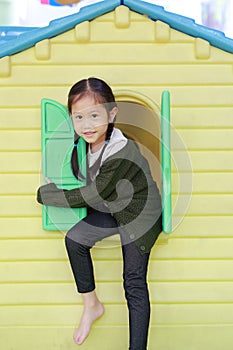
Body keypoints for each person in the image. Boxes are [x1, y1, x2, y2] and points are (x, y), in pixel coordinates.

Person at [37, 77, 162, 349]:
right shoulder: (85, 144)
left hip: (140, 213)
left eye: (94, 115)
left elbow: (94, 194)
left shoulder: (120, 150)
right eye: (78, 117)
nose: (87, 124)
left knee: (133, 283)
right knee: (74, 240)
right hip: (114, 206)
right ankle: (91, 304)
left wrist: (48, 195)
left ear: (111, 113)